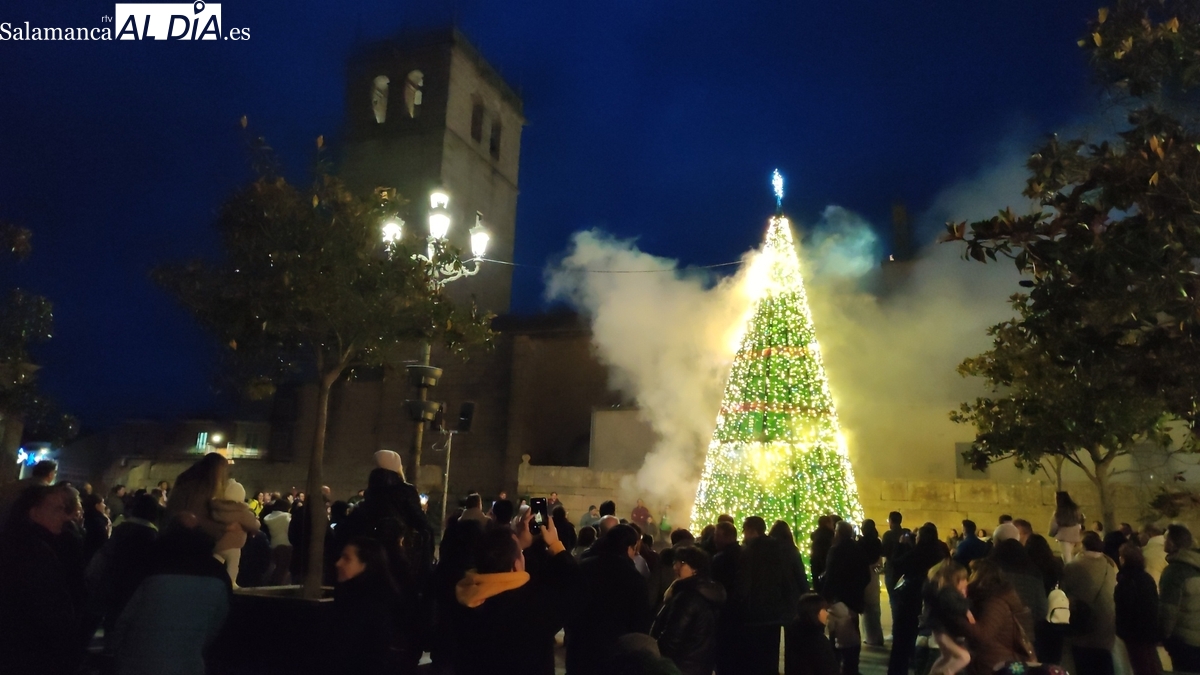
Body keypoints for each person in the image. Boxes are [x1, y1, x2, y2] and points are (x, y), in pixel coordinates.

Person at [452, 511, 577, 675]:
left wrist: (517, 546)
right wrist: (555, 544)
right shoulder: (534, 607)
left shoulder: (463, 596)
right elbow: (578, 589)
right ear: (516, 565)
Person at [109, 516, 231, 675]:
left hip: (135, 662)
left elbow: (124, 616)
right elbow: (216, 627)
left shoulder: (149, 564)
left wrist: (112, 651)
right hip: (188, 665)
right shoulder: (218, 575)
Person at [0, 484, 81, 675]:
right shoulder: (35, 552)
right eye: (57, 509)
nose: (64, 516)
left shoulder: (25, 543)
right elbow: (49, 611)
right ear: (33, 512)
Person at [566, 523, 648, 675]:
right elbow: (639, 624)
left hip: (579, 647)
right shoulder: (634, 578)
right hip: (614, 653)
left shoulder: (584, 567)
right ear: (629, 548)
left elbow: (569, 607)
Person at [86, 493, 161, 644]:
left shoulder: (121, 529)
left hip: (111, 582)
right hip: (134, 587)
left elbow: (104, 556)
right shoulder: (152, 535)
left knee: (107, 620)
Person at [329, 536, 410, 674]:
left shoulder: (369, 604)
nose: (338, 563)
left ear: (366, 564)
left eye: (347, 559)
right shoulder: (352, 595)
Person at [735, 515, 805, 675]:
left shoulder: (748, 552)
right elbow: (791, 578)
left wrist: (741, 604)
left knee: (756, 655)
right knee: (772, 651)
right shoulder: (780, 550)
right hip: (775, 608)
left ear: (751, 531)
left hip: (754, 611)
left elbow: (744, 583)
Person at [886, 522, 950, 675]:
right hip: (929, 600)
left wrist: (901, 546)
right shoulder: (939, 553)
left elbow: (896, 564)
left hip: (910, 599)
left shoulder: (917, 552)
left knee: (902, 639)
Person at [651, 545, 726, 675]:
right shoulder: (707, 593)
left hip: (680, 666)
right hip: (699, 665)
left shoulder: (687, 597)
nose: (675, 567)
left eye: (682, 563)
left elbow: (671, 640)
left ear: (695, 569)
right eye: (675, 562)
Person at [960, 558, 1032, 674]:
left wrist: (958, 622)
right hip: (993, 661)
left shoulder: (995, 603)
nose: (967, 579)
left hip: (994, 665)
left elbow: (984, 634)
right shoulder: (985, 599)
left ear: (980, 576)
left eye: (971, 573)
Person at [1060, 531, 1117, 675]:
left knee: (1084, 666)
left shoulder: (1073, 567)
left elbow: (1063, 593)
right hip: (1106, 625)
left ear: (1082, 545)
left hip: (1082, 625)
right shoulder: (1110, 565)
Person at [823, 520, 868, 674]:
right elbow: (866, 576)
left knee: (836, 636)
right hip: (854, 599)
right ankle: (852, 667)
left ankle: (836, 667)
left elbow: (831, 576)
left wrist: (826, 597)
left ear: (839, 533)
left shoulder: (835, 550)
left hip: (839, 599)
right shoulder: (858, 549)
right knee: (852, 635)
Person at [988, 534, 1045, 643]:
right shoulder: (1034, 574)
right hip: (1025, 631)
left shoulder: (991, 573)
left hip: (995, 631)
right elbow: (1042, 609)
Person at [1115, 542, 1161, 675]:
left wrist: (1122, 630)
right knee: (1151, 663)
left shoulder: (1126, 580)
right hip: (1149, 628)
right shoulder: (1146, 578)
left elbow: (1124, 608)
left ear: (1124, 559)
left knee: (1140, 665)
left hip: (1134, 632)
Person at [1160, 524, 1200, 672]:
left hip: (1184, 640)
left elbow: (1168, 611)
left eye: (1166, 539)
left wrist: (1165, 638)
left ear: (1171, 543)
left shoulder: (1174, 572)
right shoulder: (1196, 565)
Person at [922, 561, 974, 675]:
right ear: (954, 580)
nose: (966, 582)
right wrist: (965, 601)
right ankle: (946, 672)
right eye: (963, 579)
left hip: (939, 630)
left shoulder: (938, 589)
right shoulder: (947, 593)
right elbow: (955, 606)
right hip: (942, 631)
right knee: (964, 657)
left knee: (947, 657)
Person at [211, 477, 260, 588]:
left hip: (218, 543)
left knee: (216, 563)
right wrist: (257, 522)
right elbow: (253, 524)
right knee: (233, 565)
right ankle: (231, 583)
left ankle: (212, 580)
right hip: (234, 545)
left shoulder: (217, 509)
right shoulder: (241, 512)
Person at [858, 519, 885, 647]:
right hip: (874, 575)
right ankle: (877, 636)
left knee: (867, 607)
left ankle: (870, 636)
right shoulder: (877, 542)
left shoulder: (861, 542)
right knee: (874, 605)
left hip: (863, 574)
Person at [881, 510, 907, 638]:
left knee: (894, 601)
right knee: (903, 601)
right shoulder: (906, 533)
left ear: (891, 521)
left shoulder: (888, 535)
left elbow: (883, 552)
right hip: (904, 570)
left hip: (892, 570)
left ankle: (895, 631)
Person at [262, 497, 293, 584]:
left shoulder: (268, 518)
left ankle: (272, 583)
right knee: (283, 569)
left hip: (273, 544)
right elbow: (290, 530)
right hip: (286, 545)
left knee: (276, 568)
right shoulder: (286, 518)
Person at [1049, 491, 1084, 563]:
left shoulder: (1059, 512)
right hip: (1076, 535)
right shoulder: (1076, 509)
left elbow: (1054, 524)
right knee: (1075, 558)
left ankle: (1069, 570)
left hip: (1064, 537)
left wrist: (1051, 533)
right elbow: (1082, 519)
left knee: (1067, 559)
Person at [82, 492, 112, 563]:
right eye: (102, 503)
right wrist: (108, 531)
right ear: (97, 505)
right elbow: (103, 540)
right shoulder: (97, 522)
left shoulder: (86, 516)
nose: (104, 505)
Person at [810, 515, 835, 593]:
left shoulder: (816, 537)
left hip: (816, 570)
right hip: (826, 572)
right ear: (827, 524)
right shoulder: (830, 537)